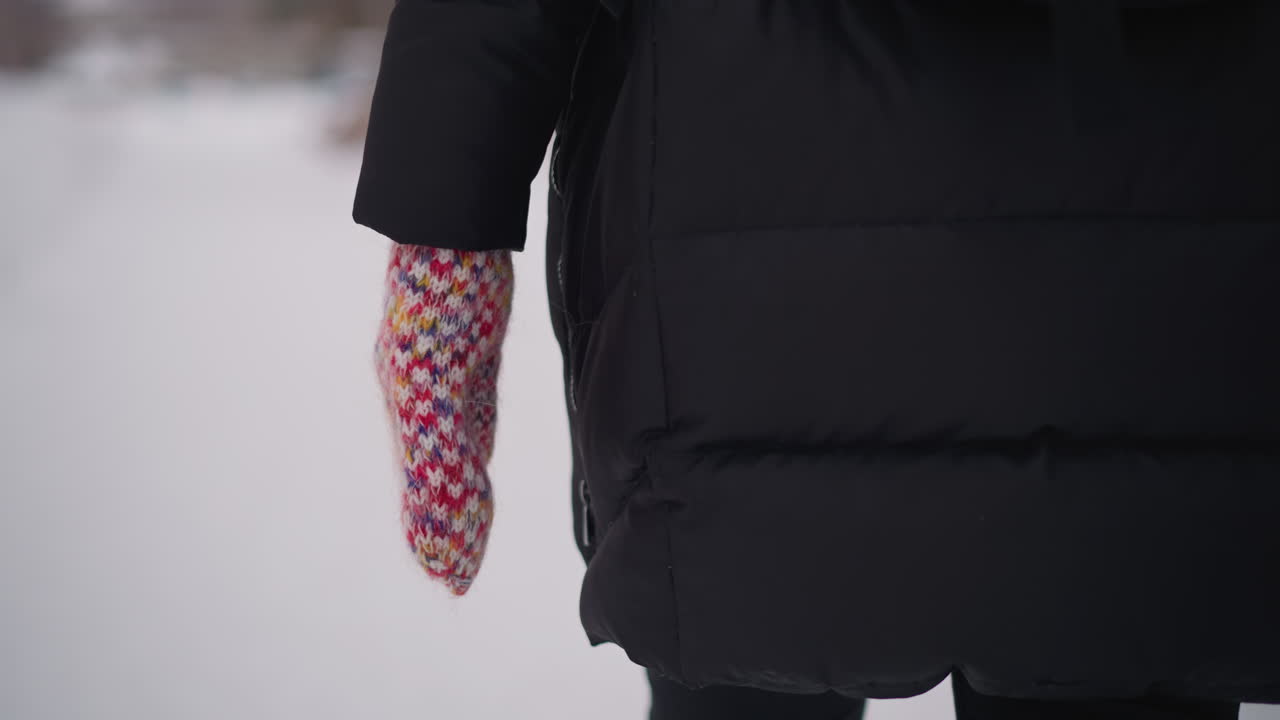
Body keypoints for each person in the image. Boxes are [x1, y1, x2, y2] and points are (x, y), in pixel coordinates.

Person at [355, 1, 1280, 718]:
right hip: (1155, 278)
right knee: (1132, 634)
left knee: (744, 657)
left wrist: (444, 228)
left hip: (734, 294)